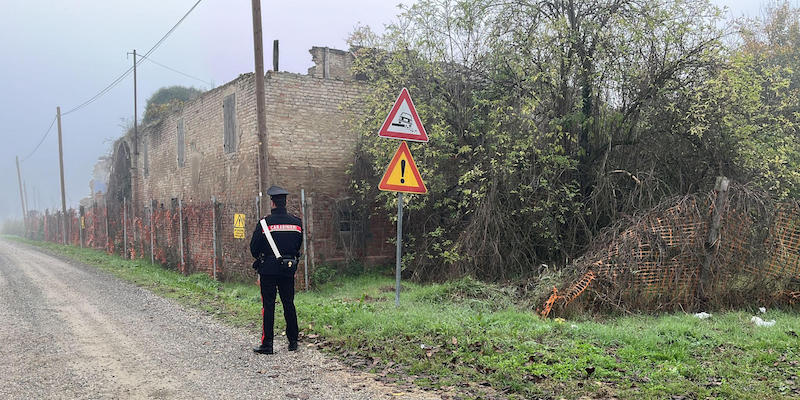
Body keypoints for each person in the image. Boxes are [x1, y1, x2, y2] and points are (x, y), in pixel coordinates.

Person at [250, 185, 303, 354]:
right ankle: (293, 342)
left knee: (268, 306)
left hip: (268, 270)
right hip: (288, 269)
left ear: (272, 203)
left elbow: (254, 249)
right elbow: (298, 245)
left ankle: (268, 344)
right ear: (284, 203)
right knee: (289, 304)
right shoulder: (296, 223)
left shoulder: (264, 223)